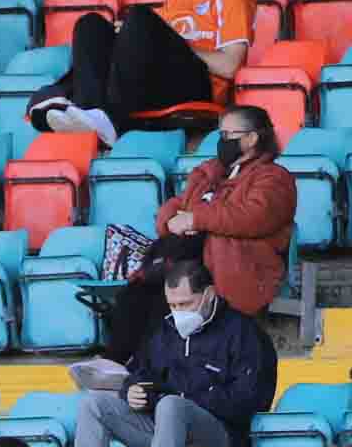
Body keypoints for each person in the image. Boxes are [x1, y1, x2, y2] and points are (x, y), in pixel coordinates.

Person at [101, 105, 292, 362]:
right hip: (185, 260)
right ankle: (113, 364)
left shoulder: (274, 177)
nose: (221, 142)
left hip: (235, 263)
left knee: (164, 303)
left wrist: (196, 219)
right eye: (219, 134)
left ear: (252, 138)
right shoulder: (210, 173)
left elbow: (254, 217)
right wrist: (172, 221)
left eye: (227, 135)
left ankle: (144, 368)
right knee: (132, 298)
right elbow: (177, 204)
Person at [28, 0, 254, 141]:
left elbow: (229, 66)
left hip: (199, 86)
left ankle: (92, 107)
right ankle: (91, 110)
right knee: (92, 24)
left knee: (138, 16)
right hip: (159, 79)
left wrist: (183, 44)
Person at [66, 254, 273, 447]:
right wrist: (132, 391)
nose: (179, 312)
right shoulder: (165, 331)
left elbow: (248, 401)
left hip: (220, 432)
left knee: (172, 405)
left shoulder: (243, 333)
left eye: (185, 304)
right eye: (173, 305)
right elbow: (139, 372)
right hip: (161, 426)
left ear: (209, 295)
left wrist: (183, 397)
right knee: (93, 404)